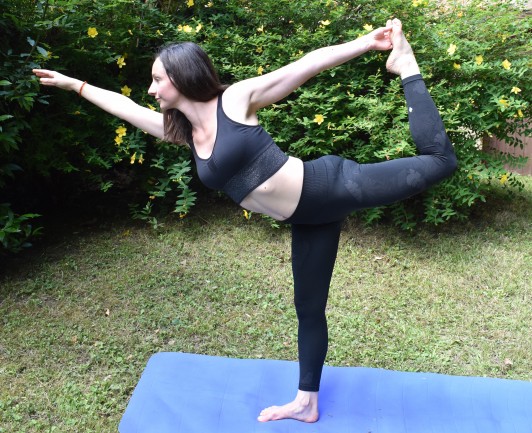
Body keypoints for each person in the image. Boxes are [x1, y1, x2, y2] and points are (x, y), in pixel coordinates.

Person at [33, 18, 457, 423]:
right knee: (308, 309)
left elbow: (308, 63)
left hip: (332, 186)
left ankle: (407, 67)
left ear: (181, 77)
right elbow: (125, 108)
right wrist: (77, 85)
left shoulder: (235, 101)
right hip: (309, 220)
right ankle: (306, 403)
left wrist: (367, 43)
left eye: (158, 79)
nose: (151, 89)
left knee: (440, 162)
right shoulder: (180, 131)